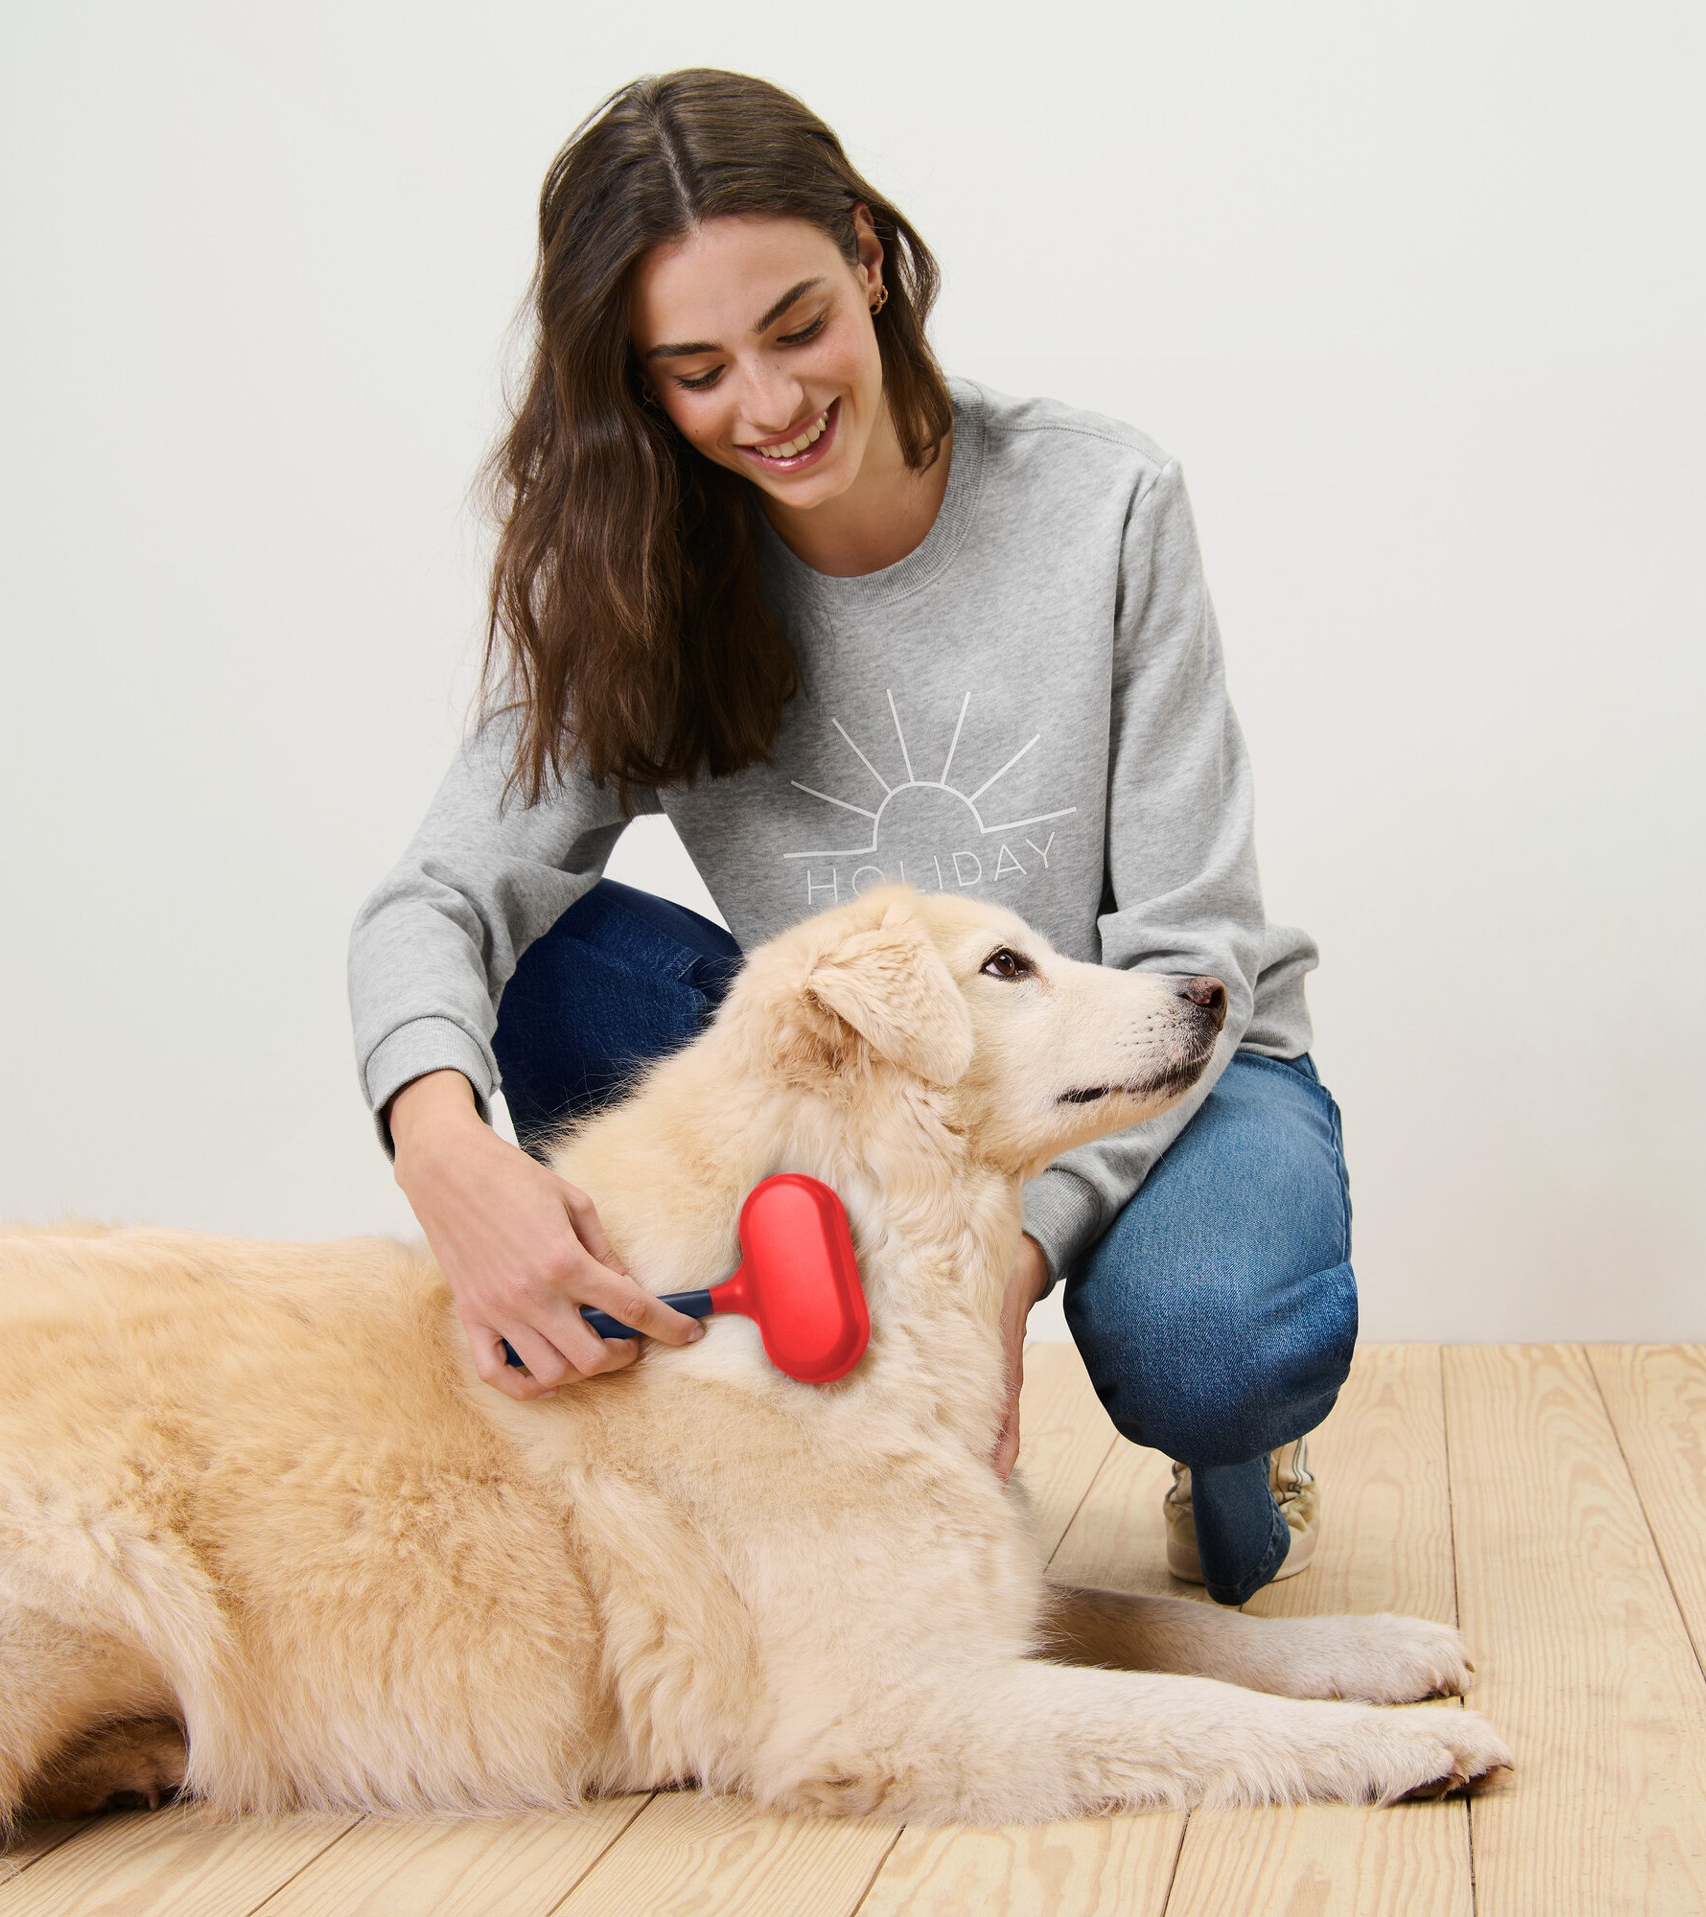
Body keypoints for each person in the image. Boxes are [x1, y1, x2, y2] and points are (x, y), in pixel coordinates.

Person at [348, 69, 1354, 1606]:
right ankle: (735, 1457)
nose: (765, 404)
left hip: (1164, 1051)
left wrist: (997, 1272)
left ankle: (1231, 1455)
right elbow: (439, 895)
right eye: (692, 369)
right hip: (895, 1090)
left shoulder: (1104, 499)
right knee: (539, 966)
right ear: (636, 383)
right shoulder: (633, 571)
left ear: (872, 261)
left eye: (797, 325)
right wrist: (440, 1144)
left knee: (1208, 1341)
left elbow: (1190, 944)